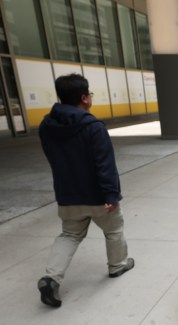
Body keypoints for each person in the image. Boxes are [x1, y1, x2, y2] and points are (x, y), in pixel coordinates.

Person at [37, 73, 134, 308]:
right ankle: (117, 265)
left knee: (69, 235)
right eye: (89, 94)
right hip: (98, 197)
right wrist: (111, 194)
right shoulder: (93, 127)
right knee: (113, 230)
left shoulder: (46, 126)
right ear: (84, 98)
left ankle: (51, 277)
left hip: (67, 196)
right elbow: (105, 164)